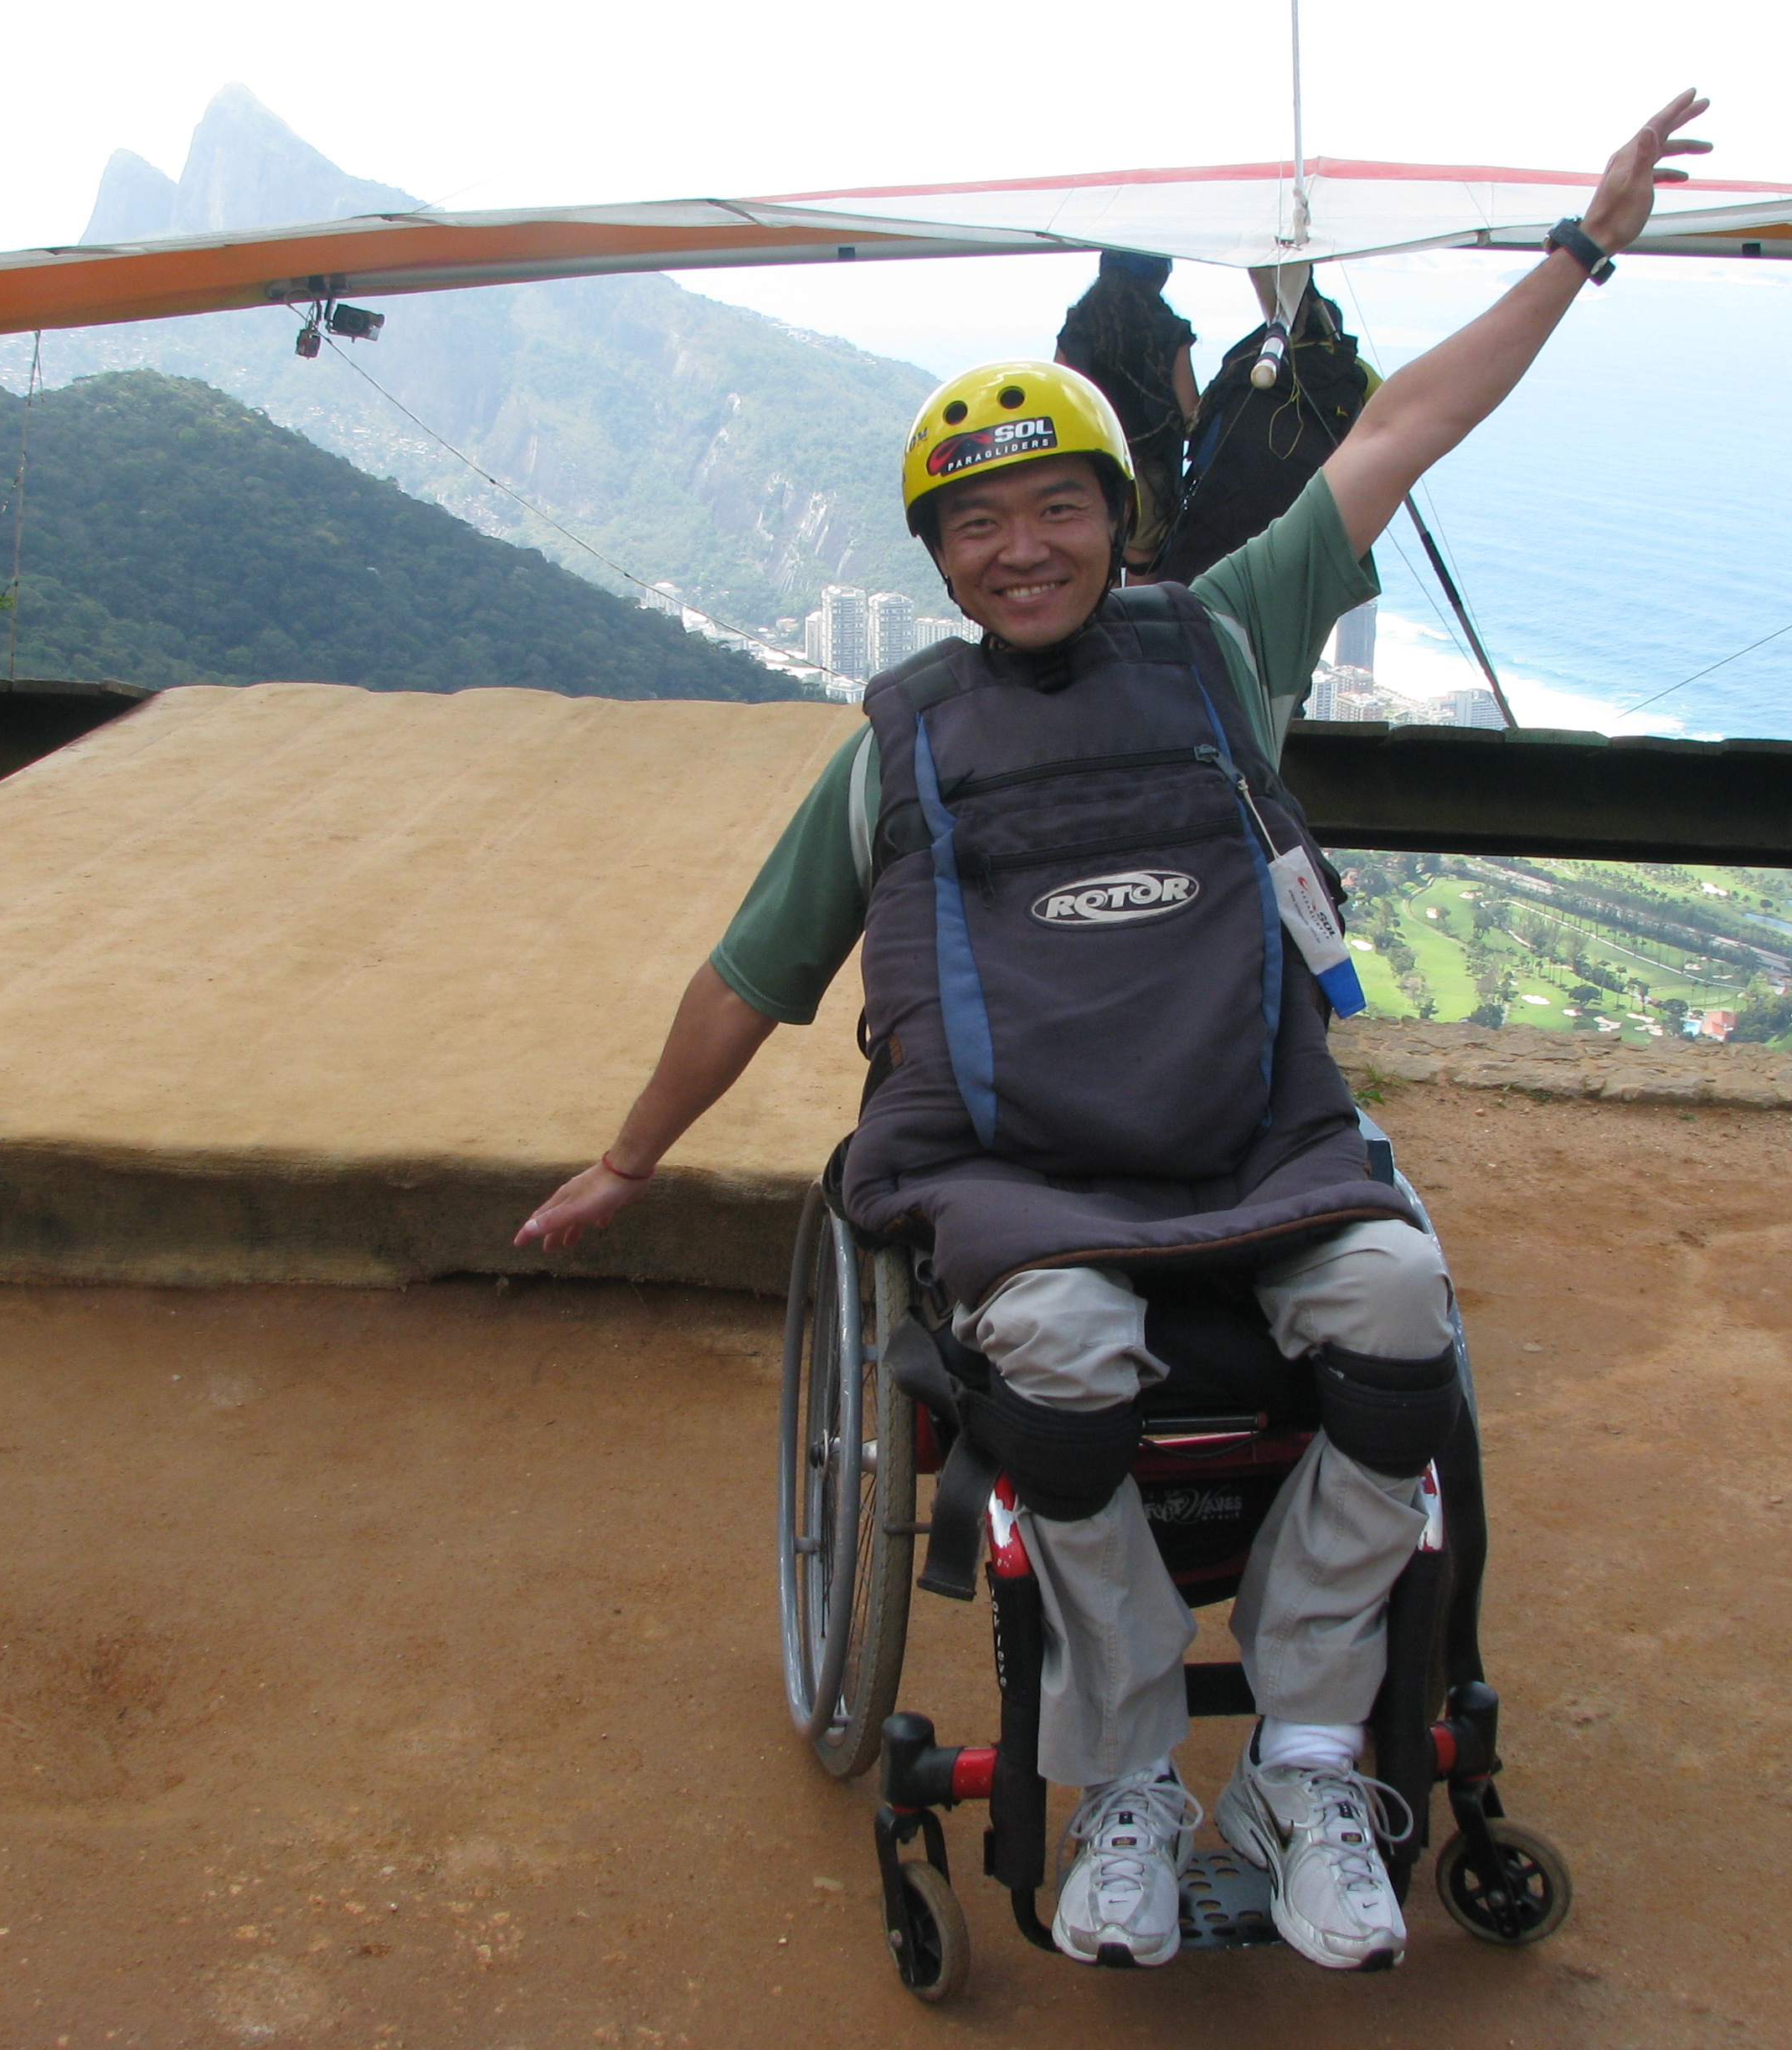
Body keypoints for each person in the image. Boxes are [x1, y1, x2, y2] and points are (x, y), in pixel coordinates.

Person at [518, 92, 1711, 1973]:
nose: (1021, 548)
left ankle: (1309, 1752)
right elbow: (755, 976)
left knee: (1403, 1312)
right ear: (938, 557)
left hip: (1255, 1135)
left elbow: (1401, 428)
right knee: (1060, 1359)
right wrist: (629, 1157)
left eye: (1056, 505)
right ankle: (1135, 1761)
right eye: (977, 523)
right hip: (1020, 1181)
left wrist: (1585, 244)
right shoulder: (897, 751)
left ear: (1118, 518)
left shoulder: (1223, 642)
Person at [1152, 264, 1373, 587]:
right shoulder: (1351, 376)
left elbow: (1201, 441)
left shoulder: (1247, 371)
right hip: (1294, 542)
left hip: (1216, 540)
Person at [1054, 250, 1199, 576]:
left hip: (1089, 467)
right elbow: (1192, 414)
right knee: (1142, 575)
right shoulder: (1169, 331)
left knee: (1096, 569)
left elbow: (1059, 400)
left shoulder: (1077, 329)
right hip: (1150, 472)